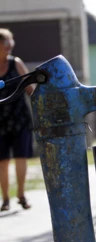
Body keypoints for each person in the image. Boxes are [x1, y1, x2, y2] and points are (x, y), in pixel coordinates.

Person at [0, 28, 34, 211]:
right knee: (2, 161)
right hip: (0, 122)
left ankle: (21, 194)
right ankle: (5, 199)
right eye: (6, 43)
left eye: (10, 43)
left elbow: (31, 90)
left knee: (21, 156)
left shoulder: (16, 64)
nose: (10, 47)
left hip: (20, 118)